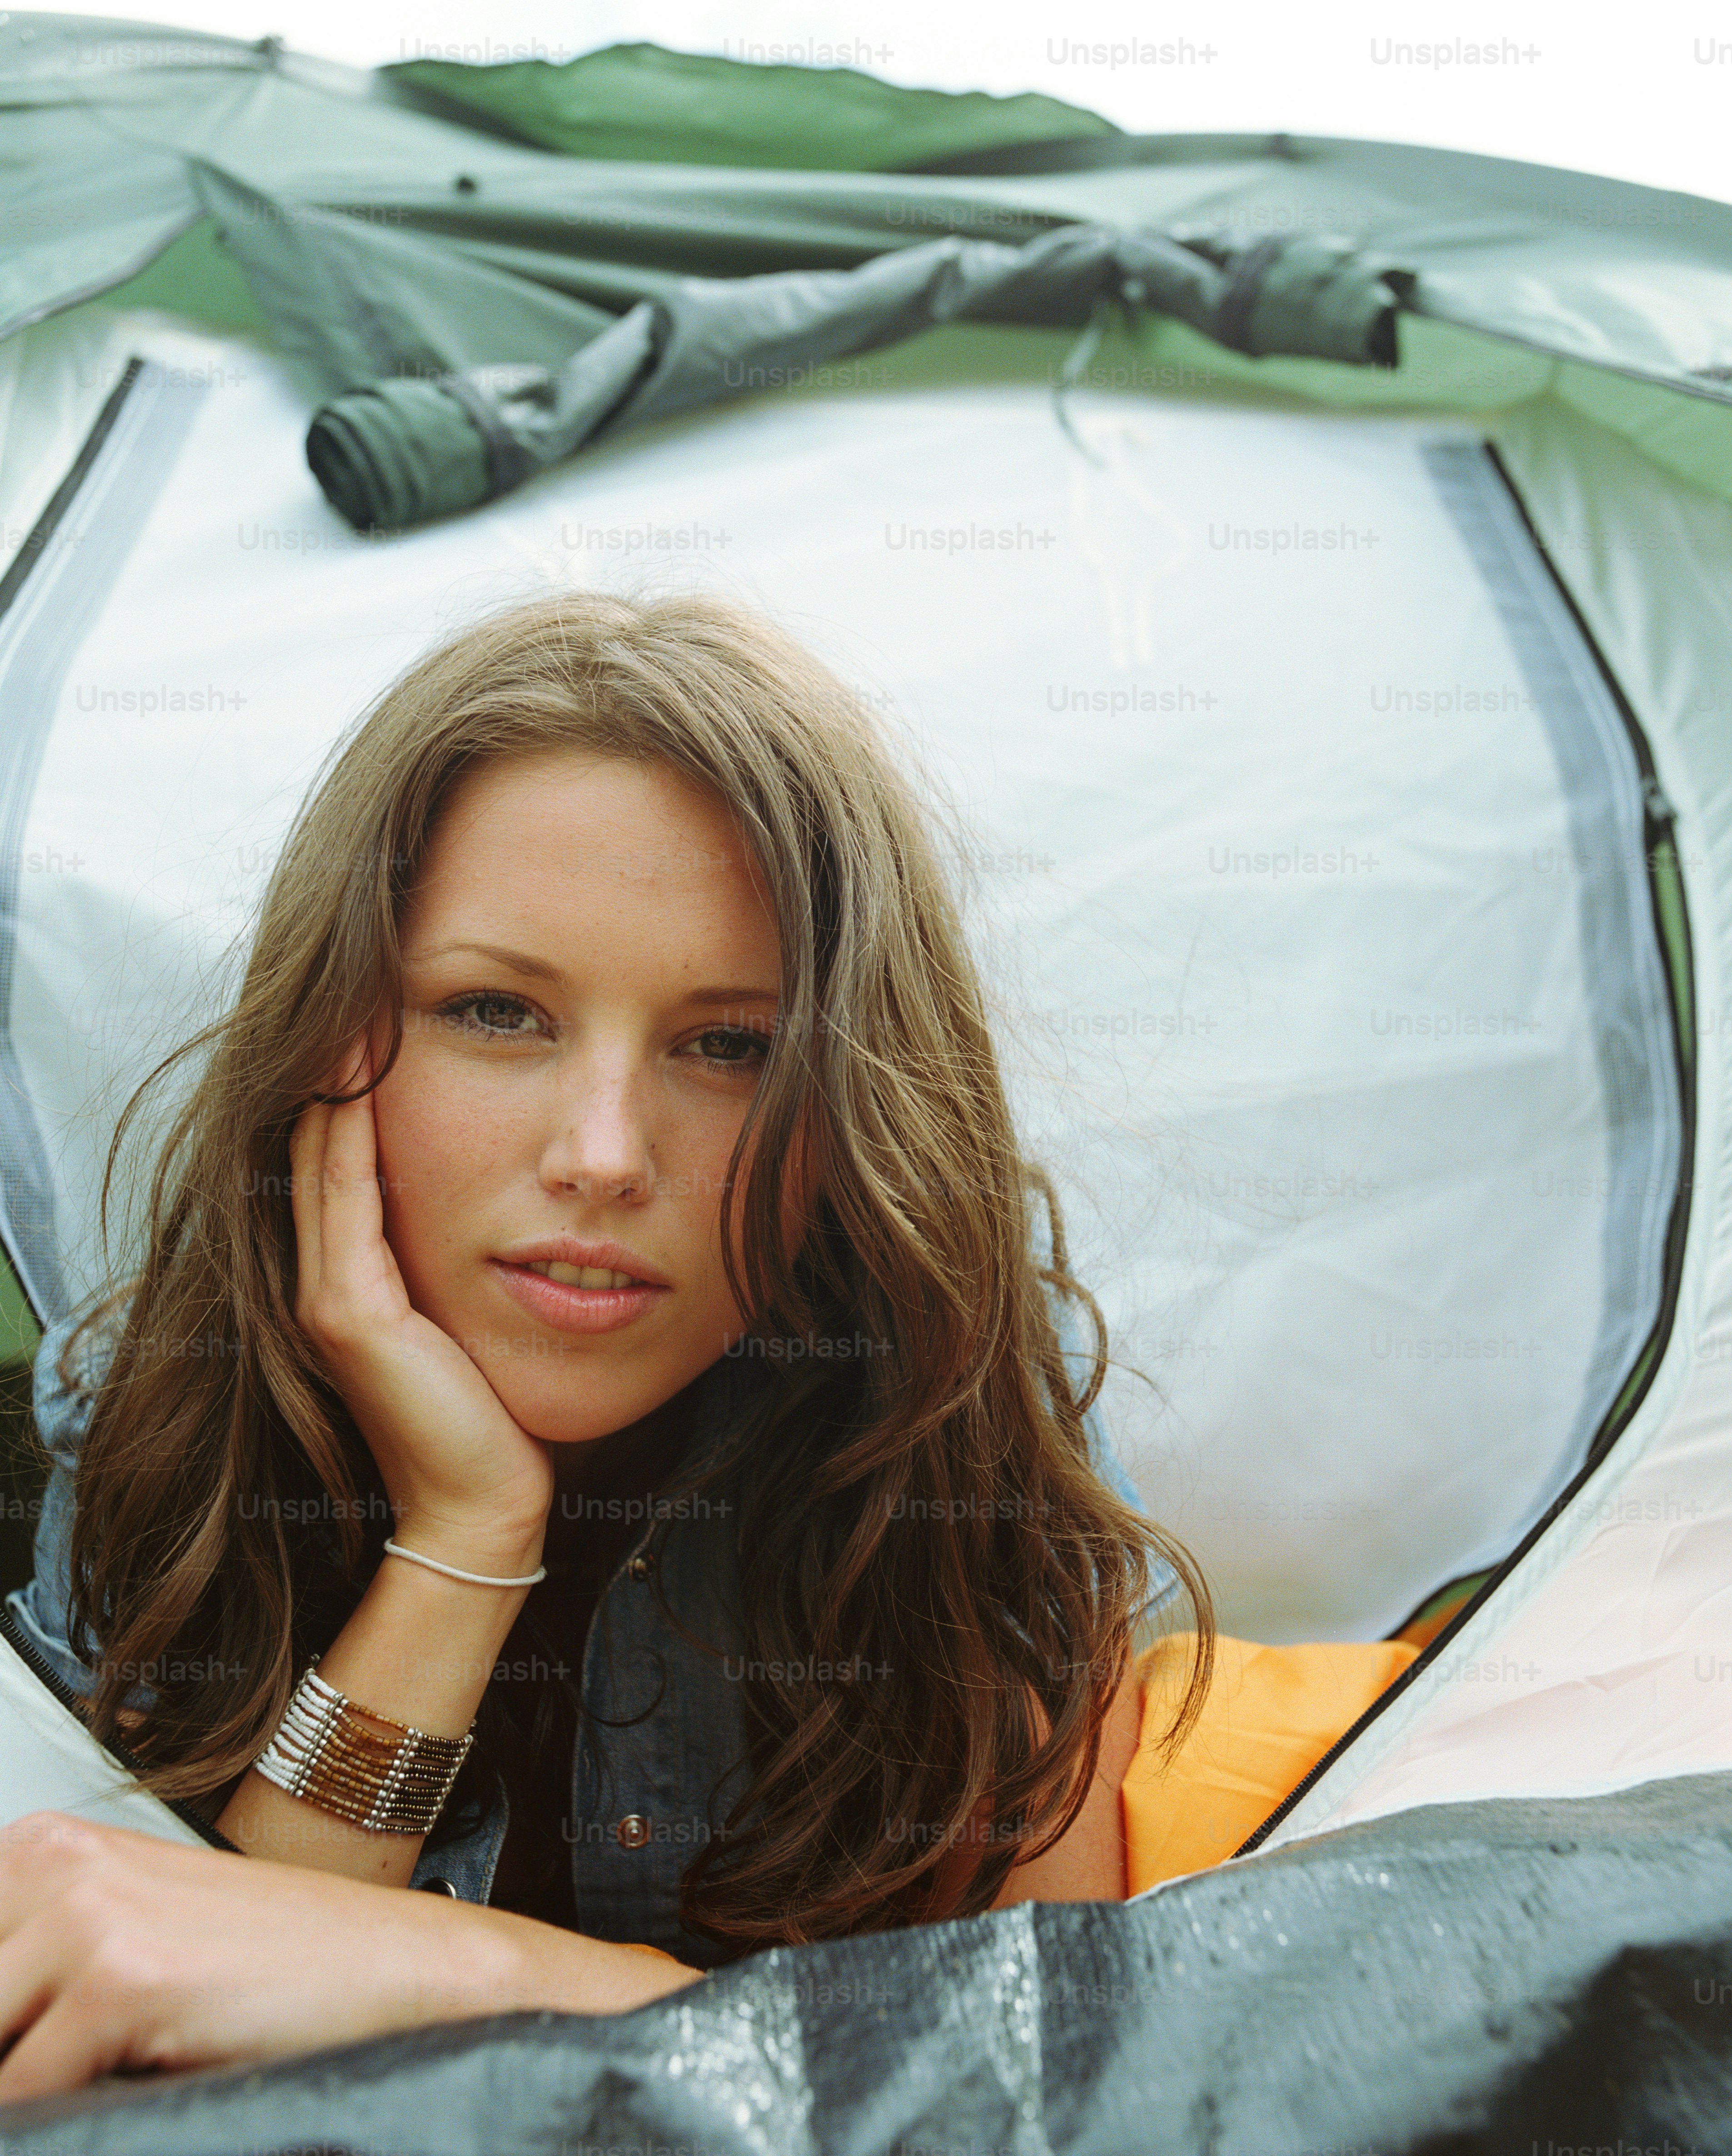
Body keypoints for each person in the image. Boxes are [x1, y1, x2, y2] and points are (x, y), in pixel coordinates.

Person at [0, 588, 1212, 2099]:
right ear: (330, 1047)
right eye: (497, 1011)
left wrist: (517, 1976)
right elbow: (157, 2046)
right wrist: (463, 1530)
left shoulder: (950, 1407)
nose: (602, 1153)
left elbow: (1055, 2089)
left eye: (727, 1044)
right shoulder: (165, 1407)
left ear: (849, 1101)